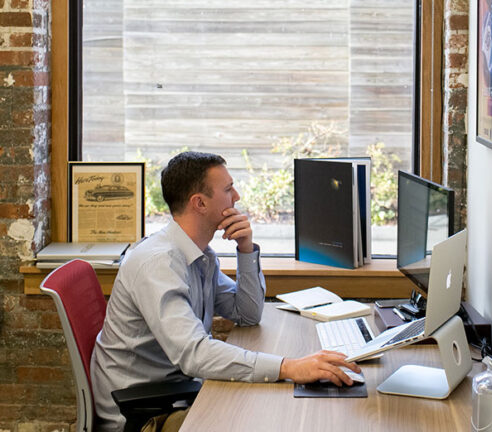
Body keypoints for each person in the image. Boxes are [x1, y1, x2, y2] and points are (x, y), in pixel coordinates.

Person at [90, 151, 360, 432]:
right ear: (200, 203)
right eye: (229, 189)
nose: (237, 196)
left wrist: (246, 248)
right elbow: (194, 354)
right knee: (266, 417)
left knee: (273, 405)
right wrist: (288, 367)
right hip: (145, 411)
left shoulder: (198, 255)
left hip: (179, 392)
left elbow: (247, 313)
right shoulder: (158, 264)